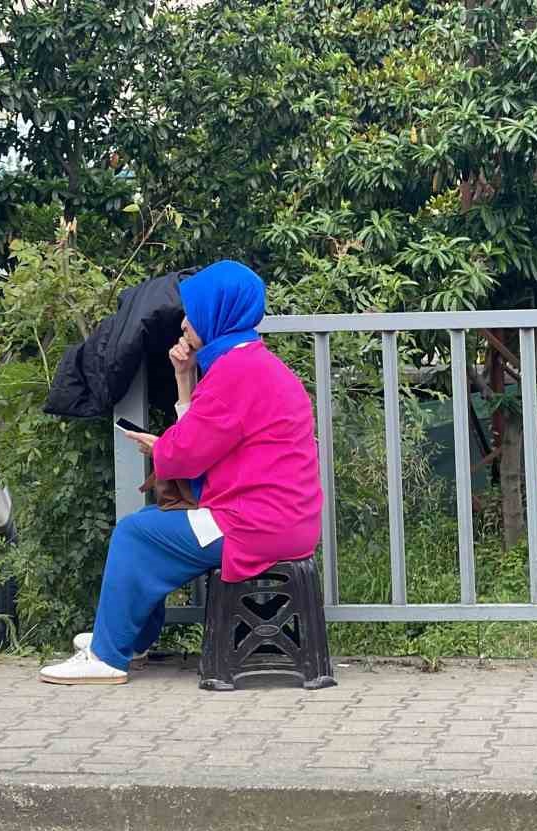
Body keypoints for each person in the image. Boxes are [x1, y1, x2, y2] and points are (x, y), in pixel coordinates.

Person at [39, 260, 324, 685]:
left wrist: (161, 447)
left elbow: (185, 454)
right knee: (149, 528)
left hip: (252, 525)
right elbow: (200, 439)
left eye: (194, 312)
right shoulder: (254, 364)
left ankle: (108, 657)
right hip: (279, 519)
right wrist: (183, 378)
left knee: (136, 534)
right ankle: (126, 639)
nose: (185, 322)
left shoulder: (234, 373)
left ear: (217, 314)